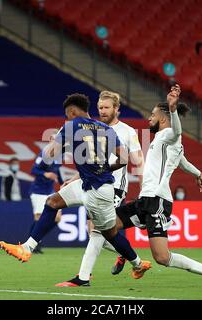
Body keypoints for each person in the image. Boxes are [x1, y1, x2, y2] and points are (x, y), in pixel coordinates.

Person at [0, 93, 151, 280]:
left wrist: (56, 147)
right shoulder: (104, 128)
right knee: (53, 202)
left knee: (108, 233)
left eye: (66, 115)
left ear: (71, 111)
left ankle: (136, 264)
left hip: (99, 191)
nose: (66, 118)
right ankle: (27, 248)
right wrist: (103, 167)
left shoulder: (70, 126)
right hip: (88, 183)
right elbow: (125, 158)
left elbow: (48, 156)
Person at [109, 85, 202, 287]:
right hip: (145, 200)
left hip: (157, 201)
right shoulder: (163, 141)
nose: (148, 119)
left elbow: (177, 132)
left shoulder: (170, 134)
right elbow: (181, 160)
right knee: (108, 226)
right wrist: (198, 174)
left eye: (152, 115)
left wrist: (172, 108)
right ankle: (130, 257)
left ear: (163, 118)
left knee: (162, 257)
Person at [55, 90, 145, 286]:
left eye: (106, 108)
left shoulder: (128, 131)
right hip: (93, 185)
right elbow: (90, 163)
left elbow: (138, 160)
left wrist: (145, 184)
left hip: (114, 187)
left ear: (116, 109)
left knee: (97, 231)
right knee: (94, 231)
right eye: (100, 108)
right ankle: (127, 255)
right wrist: (73, 179)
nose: (102, 111)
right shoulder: (94, 128)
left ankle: (83, 277)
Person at [28, 131, 63, 254]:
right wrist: (45, 173)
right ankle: (32, 243)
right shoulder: (44, 154)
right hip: (38, 190)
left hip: (49, 190)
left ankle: (37, 239)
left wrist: (62, 183)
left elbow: (57, 171)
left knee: (58, 217)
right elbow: (33, 169)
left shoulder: (58, 156)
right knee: (38, 217)